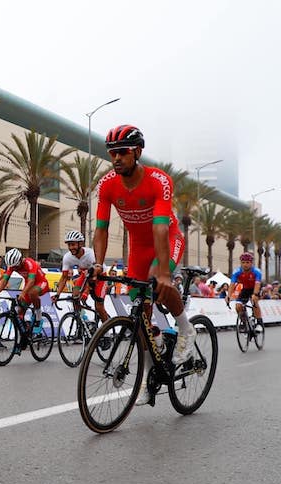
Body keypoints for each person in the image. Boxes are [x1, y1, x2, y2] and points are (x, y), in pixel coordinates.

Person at [91, 124, 194, 406]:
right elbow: (100, 229)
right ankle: (151, 376)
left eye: (122, 152)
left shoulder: (158, 180)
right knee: (141, 318)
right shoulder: (107, 184)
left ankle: (186, 328)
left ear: (137, 151)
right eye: (112, 153)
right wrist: (98, 265)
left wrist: (163, 271)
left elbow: (161, 226)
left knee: (160, 283)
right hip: (138, 248)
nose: (116, 158)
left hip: (166, 237)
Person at [0, 248, 50, 352]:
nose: (15, 268)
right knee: (18, 314)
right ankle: (23, 339)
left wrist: (23, 293)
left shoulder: (30, 263)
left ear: (20, 260)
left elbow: (31, 281)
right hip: (28, 285)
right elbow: (4, 281)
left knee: (32, 293)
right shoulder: (12, 266)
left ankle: (38, 317)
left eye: (16, 266)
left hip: (40, 283)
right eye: (13, 267)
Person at [50, 230, 109, 323]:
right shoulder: (67, 257)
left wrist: (90, 282)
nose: (70, 248)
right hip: (86, 275)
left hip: (101, 277)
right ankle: (80, 324)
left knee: (99, 306)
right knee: (75, 297)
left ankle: (106, 332)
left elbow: (99, 270)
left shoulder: (91, 254)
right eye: (69, 245)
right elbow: (64, 277)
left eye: (73, 244)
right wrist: (57, 294)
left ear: (80, 244)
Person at [226, 252, 262, 326]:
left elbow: (257, 284)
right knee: (238, 306)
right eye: (243, 262)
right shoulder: (237, 272)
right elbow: (232, 284)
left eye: (247, 262)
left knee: (254, 301)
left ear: (251, 263)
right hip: (244, 289)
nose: (245, 264)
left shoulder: (256, 271)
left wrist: (255, 294)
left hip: (254, 288)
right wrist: (228, 296)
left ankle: (259, 323)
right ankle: (244, 322)